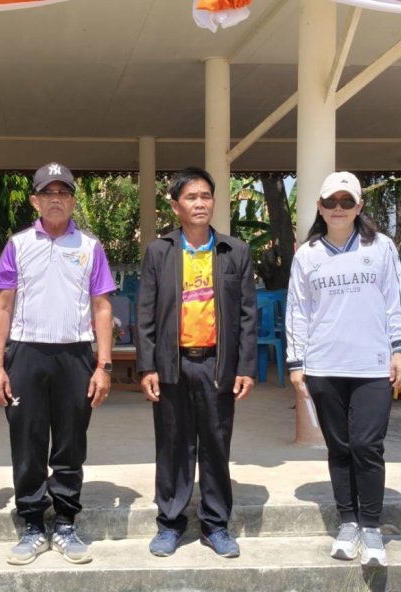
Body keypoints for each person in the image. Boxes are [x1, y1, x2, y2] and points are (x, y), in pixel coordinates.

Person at [0, 162, 116, 566]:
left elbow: (102, 307)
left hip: (75, 355)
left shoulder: (90, 247)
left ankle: (64, 523)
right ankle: (31, 524)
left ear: (74, 201)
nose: (56, 199)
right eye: (48, 193)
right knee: (27, 442)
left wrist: (104, 365)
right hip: (26, 354)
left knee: (70, 442)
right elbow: (2, 306)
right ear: (35, 201)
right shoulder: (18, 244)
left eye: (63, 193)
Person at [285, 171, 401, 568]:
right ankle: (348, 522)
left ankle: (371, 527)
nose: (338, 208)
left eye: (346, 201)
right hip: (324, 366)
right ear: (319, 208)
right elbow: (298, 311)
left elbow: (396, 301)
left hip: (372, 366)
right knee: (339, 447)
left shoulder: (381, 247)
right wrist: (296, 362)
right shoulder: (307, 255)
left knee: (367, 446)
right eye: (331, 202)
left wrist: (400, 350)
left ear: (359, 206)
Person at [135, 166, 257, 559]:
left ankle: (215, 524)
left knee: (216, 445)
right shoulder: (160, 252)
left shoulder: (235, 252)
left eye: (205, 196)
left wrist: (246, 367)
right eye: (191, 197)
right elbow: (146, 313)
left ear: (214, 202)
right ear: (176, 206)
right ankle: (170, 523)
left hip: (217, 366)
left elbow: (247, 315)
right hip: (172, 364)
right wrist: (147, 366)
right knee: (173, 445)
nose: (199, 203)